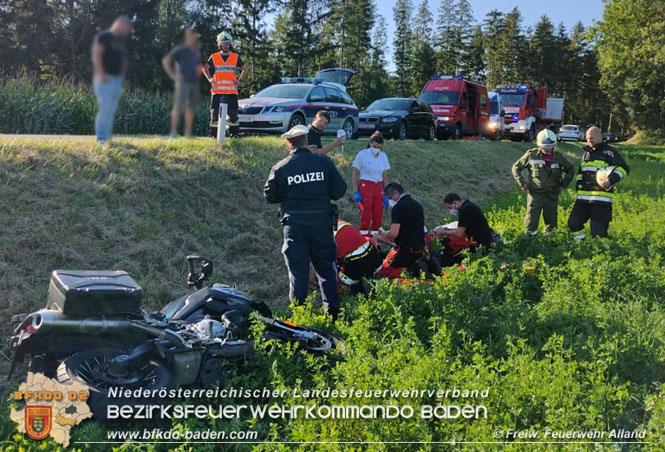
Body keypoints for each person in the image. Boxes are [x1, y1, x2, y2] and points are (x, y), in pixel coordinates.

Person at [264, 125, 347, 321]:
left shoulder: (281, 167)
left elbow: (270, 196)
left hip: (295, 226)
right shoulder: (323, 162)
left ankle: (299, 319)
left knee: (298, 273)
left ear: (288, 144)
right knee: (326, 270)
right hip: (321, 224)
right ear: (307, 142)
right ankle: (332, 316)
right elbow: (339, 190)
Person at [567, 126, 629, 239]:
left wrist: (610, 181)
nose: (589, 140)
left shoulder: (609, 152)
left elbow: (624, 168)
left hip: (601, 201)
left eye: (592, 138)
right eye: (587, 138)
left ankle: (601, 253)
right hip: (583, 200)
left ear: (600, 137)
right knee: (573, 223)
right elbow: (581, 172)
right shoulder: (586, 153)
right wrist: (579, 185)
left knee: (598, 234)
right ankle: (582, 245)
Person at [512, 129, 575, 234]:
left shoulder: (559, 158)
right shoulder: (531, 155)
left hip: (552, 195)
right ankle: (529, 242)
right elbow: (516, 167)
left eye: (550, 147)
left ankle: (549, 245)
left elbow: (570, 169)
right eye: (544, 147)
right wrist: (522, 183)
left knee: (551, 225)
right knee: (531, 223)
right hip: (535, 194)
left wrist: (563, 185)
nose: (547, 149)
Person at [91, 16, 133, 145]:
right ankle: (101, 138)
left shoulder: (121, 42)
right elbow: (97, 54)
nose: (127, 31)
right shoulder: (104, 36)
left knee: (111, 109)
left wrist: (121, 77)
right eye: (127, 28)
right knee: (105, 107)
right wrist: (101, 73)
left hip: (116, 79)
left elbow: (124, 59)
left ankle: (107, 137)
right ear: (119, 24)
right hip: (104, 77)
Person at [373, 183, 425, 279]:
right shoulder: (417, 205)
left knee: (386, 273)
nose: (390, 200)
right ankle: (414, 271)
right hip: (419, 248)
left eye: (390, 197)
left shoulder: (398, 208)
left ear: (396, 193)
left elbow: (393, 234)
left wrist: (384, 234)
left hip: (405, 250)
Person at [203, 32, 247, 138]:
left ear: (230, 44)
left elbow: (245, 69)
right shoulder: (214, 57)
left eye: (227, 43)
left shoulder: (235, 57)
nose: (226, 45)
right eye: (224, 43)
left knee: (233, 114)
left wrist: (239, 80)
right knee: (214, 115)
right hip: (217, 91)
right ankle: (213, 135)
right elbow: (205, 67)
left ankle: (234, 134)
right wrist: (209, 78)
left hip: (231, 91)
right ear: (220, 44)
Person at [162, 27, 202, 139]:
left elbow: (199, 66)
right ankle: (173, 133)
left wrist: (198, 73)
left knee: (191, 108)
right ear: (188, 36)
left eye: (196, 37)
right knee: (178, 107)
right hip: (182, 83)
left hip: (194, 83)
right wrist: (173, 75)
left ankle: (188, 134)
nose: (195, 39)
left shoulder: (197, 52)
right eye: (193, 36)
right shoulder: (180, 50)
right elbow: (166, 61)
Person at [352, 132, 390, 235]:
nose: (376, 149)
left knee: (378, 213)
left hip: (378, 186)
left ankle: (375, 239)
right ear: (370, 143)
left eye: (378, 147)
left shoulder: (383, 156)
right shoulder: (362, 154)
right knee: (366, 213)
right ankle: (363, 238)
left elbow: (384, 176)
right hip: (366, 185)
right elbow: (355, 174)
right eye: (374, 146)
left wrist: (386, 193)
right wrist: (356, 191)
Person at [334, 219, 384, 293]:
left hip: (355, 266)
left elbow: (324, 262)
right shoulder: (339, 222)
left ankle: (357, 289)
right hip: (373, 255)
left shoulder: (319, 234)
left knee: (333, 282)